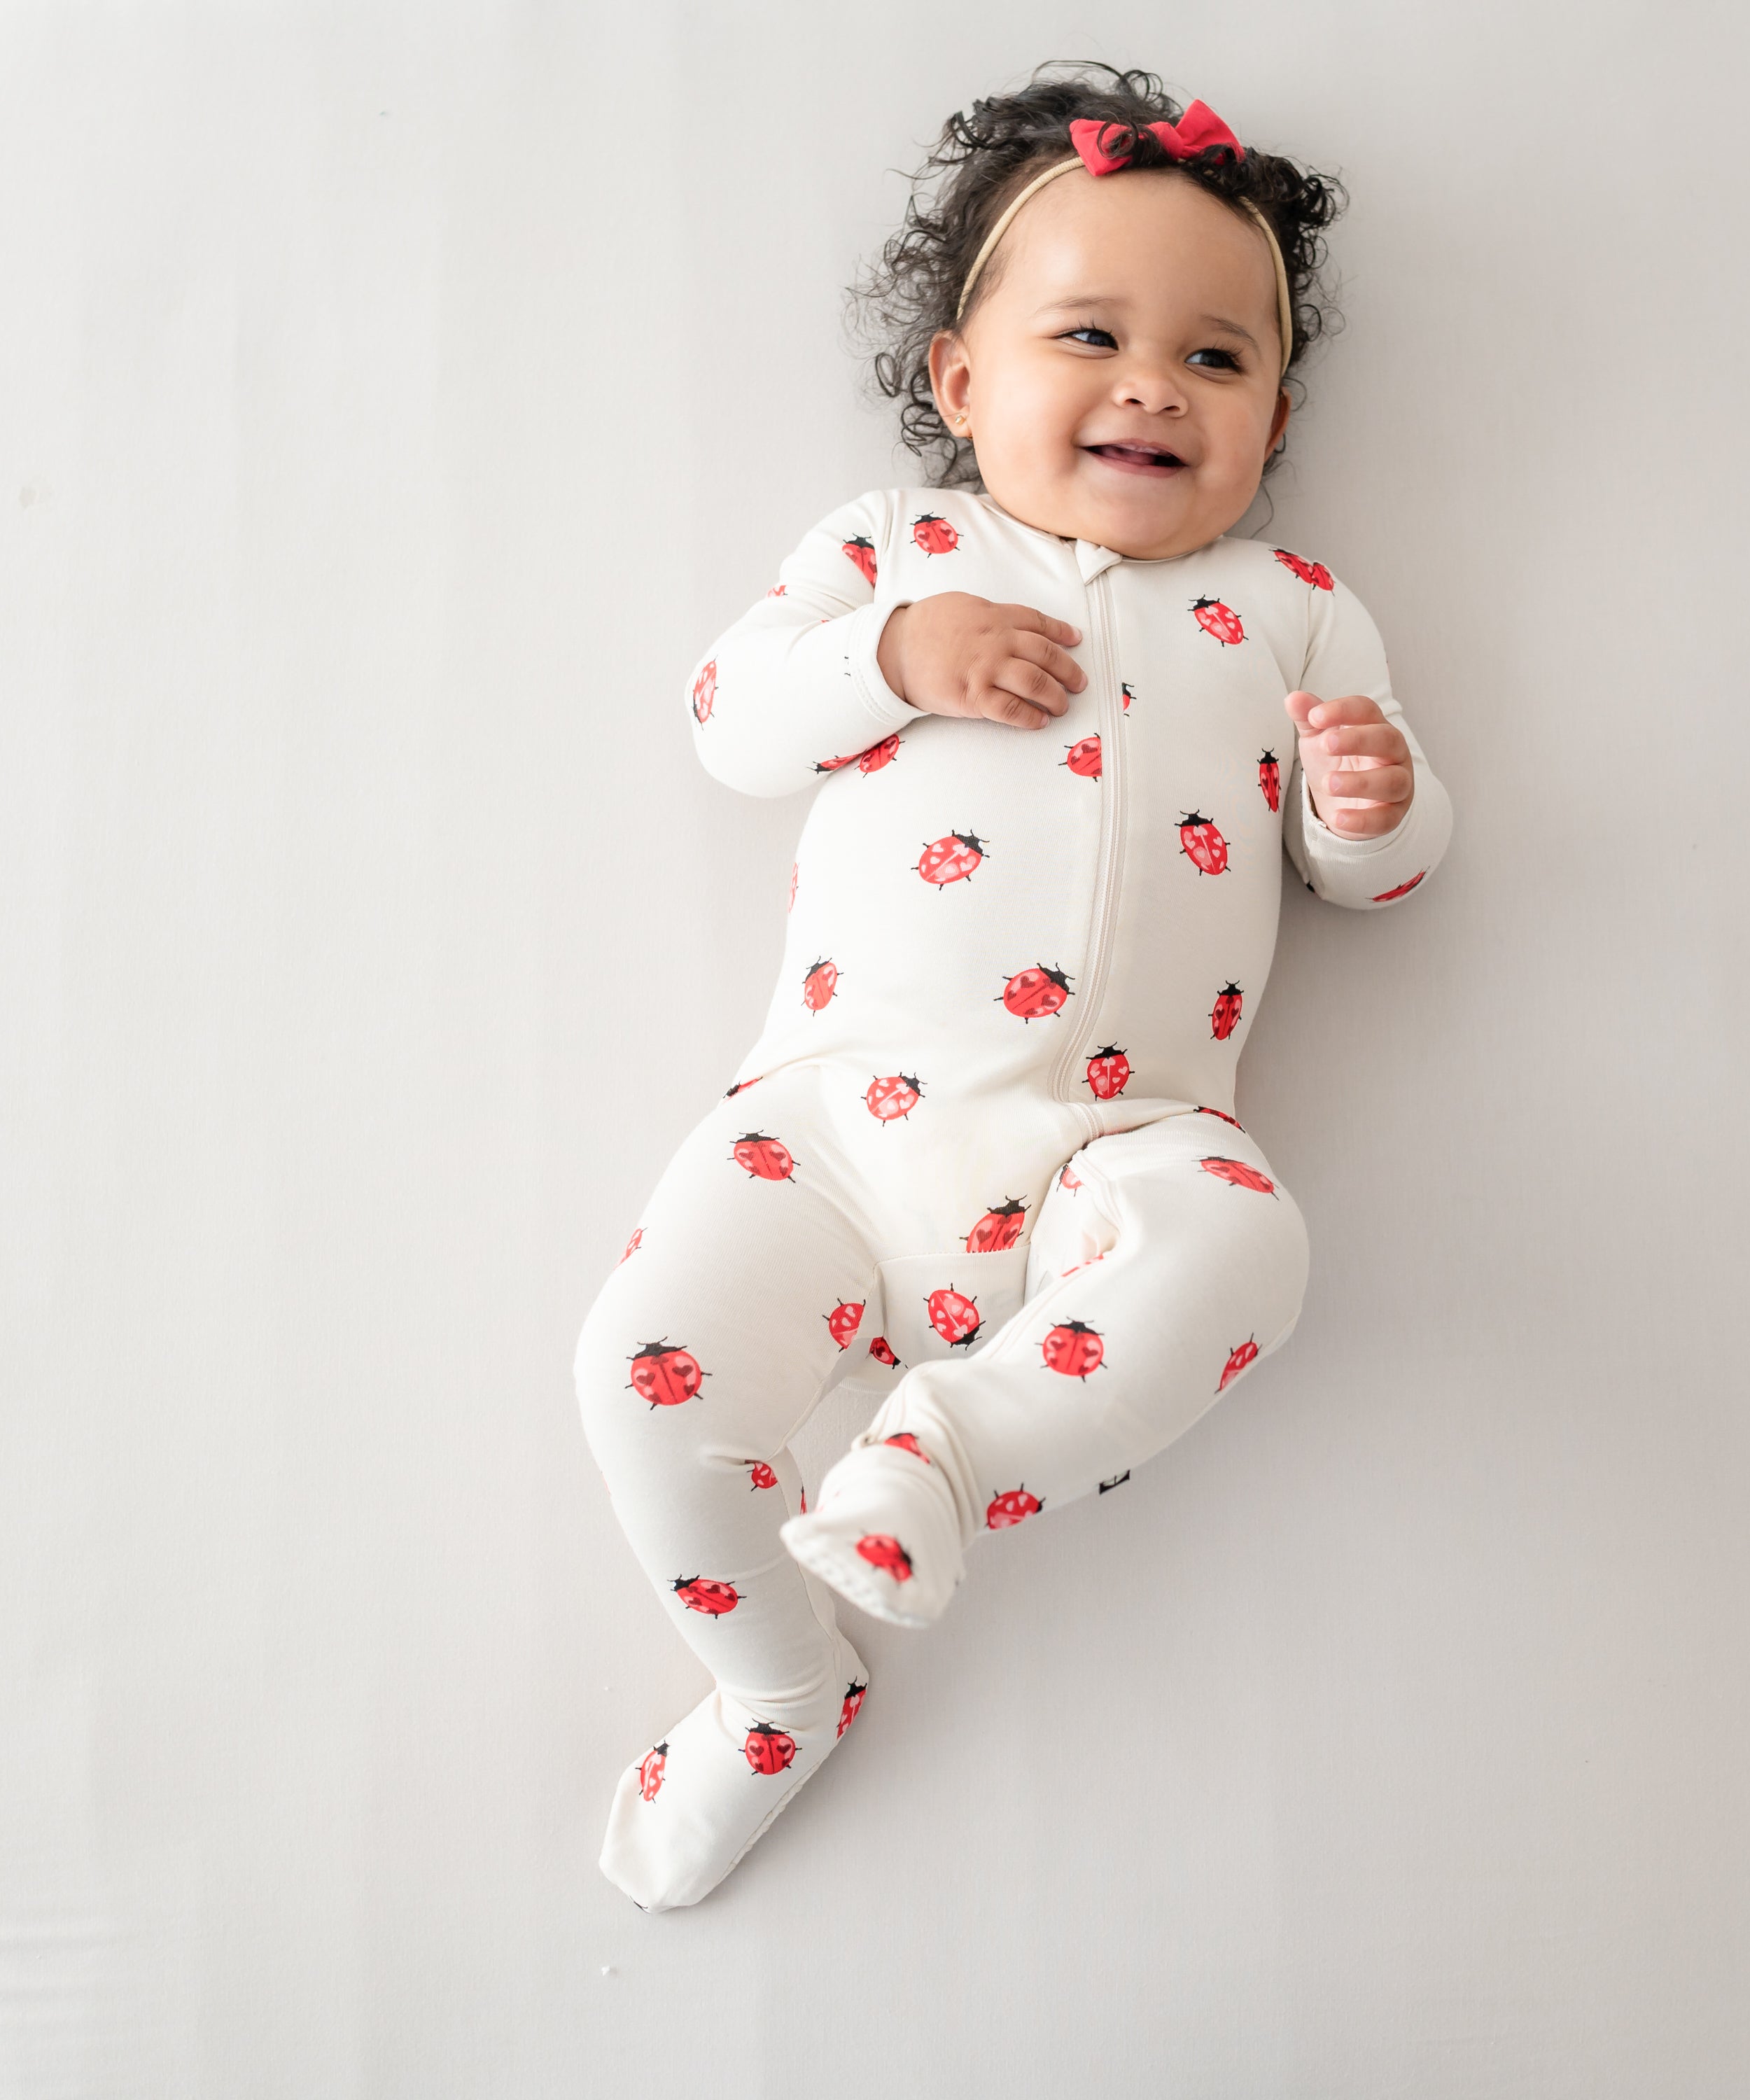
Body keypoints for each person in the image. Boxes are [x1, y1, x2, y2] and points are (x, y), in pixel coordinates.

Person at [575, 62, 1454, 1910]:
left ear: (1274, 419)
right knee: (641, 1387)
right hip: (822, 1129)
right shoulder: (896, 550)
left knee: (1256, 1249)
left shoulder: (1293, 606)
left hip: (1114, 1151)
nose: (1153, 384)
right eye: (1091, 335)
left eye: (1217, 362)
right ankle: (775, 1688)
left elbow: (1367, 863)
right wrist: (896, 655)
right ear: (965, 388)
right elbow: (731, 718)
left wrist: (1381, 804)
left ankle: (944, 1462)